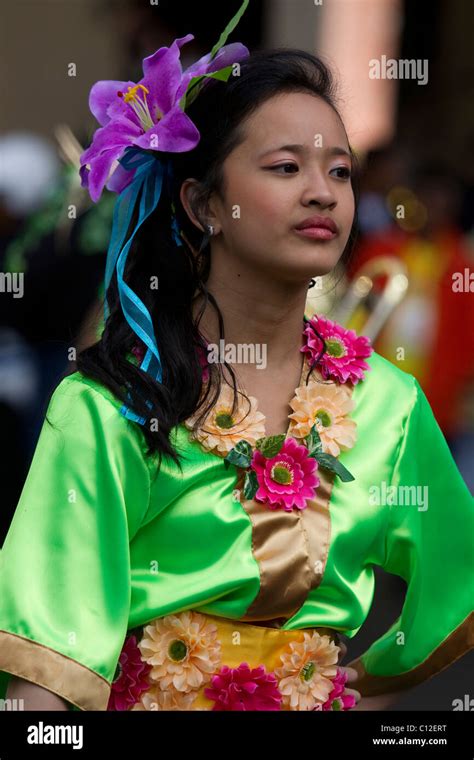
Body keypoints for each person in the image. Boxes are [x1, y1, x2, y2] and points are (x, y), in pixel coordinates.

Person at [1, 13, 472, 712]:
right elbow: (47, 680)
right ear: (202, 203)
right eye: (286, 167)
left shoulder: (388, 403)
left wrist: (363, 687)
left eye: (339, 170)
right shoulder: (110, 405)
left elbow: (455, 580)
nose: (323, 192)